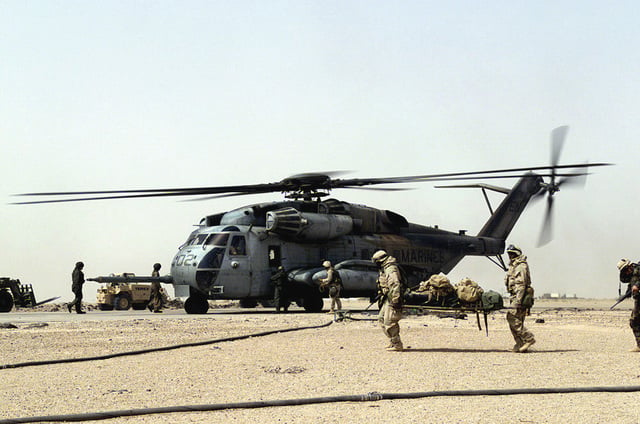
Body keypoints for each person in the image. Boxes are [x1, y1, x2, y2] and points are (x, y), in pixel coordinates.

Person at [504, 244, 535, 353]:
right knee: (517, 319)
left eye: (512, 253)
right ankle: (520, 343)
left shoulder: (520, 266)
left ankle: (528, 338)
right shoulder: (514, 266)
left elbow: (521, 284)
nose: (510, 256)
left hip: (519, 296)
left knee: (512, 317)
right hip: (515, 295)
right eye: (509, 254)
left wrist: (518, 300)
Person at [372, 250, 404, 352]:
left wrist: (395, 300)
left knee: (389, 321)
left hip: (393, 298)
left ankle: (397, 345)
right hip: (388, 298)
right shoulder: (384, 268)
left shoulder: (390, 269)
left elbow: (395, 285)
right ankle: (392, 341)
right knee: (381, 318)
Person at [616, 259, 640, 352]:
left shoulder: (638, 270)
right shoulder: (632, 276)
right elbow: (630, 288)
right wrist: (624, 296)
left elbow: (636, 284)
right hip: (638, 301)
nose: (626, 272)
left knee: (634, 321)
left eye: (626, 269)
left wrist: (637, 285)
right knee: (634, 321)